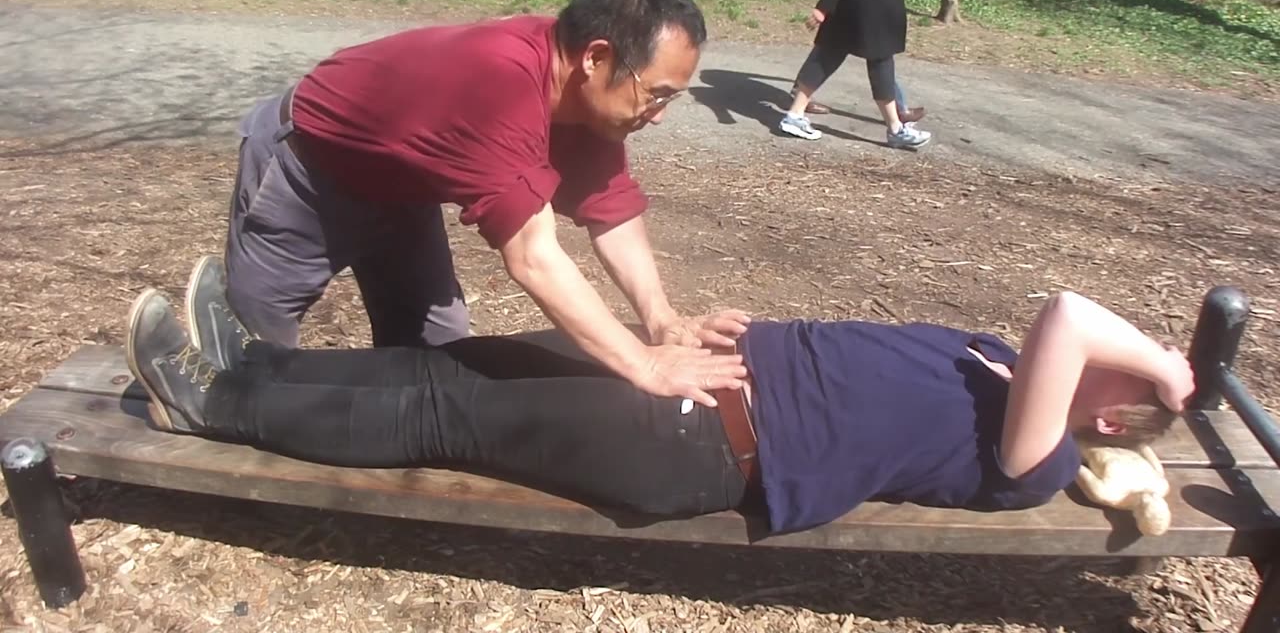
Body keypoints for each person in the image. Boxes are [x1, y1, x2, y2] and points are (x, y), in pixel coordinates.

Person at [126, 256, 1193, 535]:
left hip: (695, 443)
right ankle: (254, 370)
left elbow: (1067, 311)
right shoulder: (990, 356)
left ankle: (206, 403)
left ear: (1104, 412)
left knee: (439, 412)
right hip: (693, 376)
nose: (1110, 350)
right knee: (453, 362)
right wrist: (744, 328)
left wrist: (1166, 370)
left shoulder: (1035, 456)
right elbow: (866, 362)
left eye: (1123, 370)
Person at [221, 0, 749, 409]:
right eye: (655, 95)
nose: (656, 117)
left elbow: (612, 209)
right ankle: (223, 441)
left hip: (406, 188)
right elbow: (534, 258)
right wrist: (643, 365)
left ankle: (394, 456)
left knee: (439, 345)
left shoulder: (588, 102)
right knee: (255, 346)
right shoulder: (500, 82)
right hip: (311, 169)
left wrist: (661, 321)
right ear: (596, 57)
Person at [778, 0, 931, 150]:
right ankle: (895, 129)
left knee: (829, 56)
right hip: (863, 9)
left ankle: (795, 115)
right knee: (876, 61)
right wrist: (823, 8)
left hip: (862, 6)